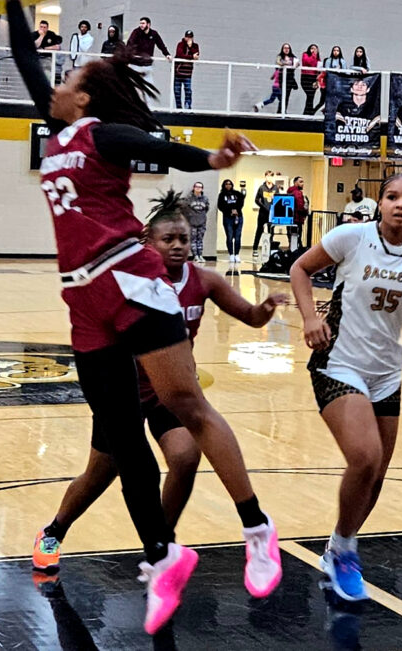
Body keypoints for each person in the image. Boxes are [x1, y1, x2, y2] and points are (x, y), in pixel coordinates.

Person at [0, 0, 282, 634]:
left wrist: (208, 155)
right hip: (82, 298)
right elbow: (27, 58)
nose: (53, 85)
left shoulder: (97, 136)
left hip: (129, 274)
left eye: (66, 81)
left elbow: (156, 147)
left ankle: (256, 526)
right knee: (120, 436)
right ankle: (162, 552)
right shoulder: (55, 135)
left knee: (184, 400)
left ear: (83, 97)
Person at [33, 191, 287, 571]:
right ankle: (54, 530)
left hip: (171, 394)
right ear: (147, 243)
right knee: (98, 476)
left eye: (184, 239)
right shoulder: (127, 284)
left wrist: (265, 310)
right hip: (123, 395)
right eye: (168, 239)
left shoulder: (204, 281)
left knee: (185, 456)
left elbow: (250, 316)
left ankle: (161, 545)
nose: (178, 246)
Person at [290, 173, 402, 602]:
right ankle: (345, 551)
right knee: (365, 456)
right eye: (393, 197)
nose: (401, 204)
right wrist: (310, 318)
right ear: (379, 203)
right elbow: (300, 269)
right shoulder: (351, 237)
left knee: (376, 474)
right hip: (338, 361)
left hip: (386, 371)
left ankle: (338, 543)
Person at [124, 16, 171, 85]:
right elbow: (130, 44)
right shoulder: (136, 32)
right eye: (140, 23)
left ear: (148, 24)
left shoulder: (154, 34)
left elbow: (161, 45)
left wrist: (167, 54)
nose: (141, 25)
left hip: (147, 65)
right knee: (134, 86)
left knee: (149, 86)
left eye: (143, 23)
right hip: (136, 64)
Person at [254, 43, 297, 113]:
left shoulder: (278, 70)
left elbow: (272, 77)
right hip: (278, 86)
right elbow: (279, 62)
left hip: (279, 85)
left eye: (288, 48)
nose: (286, 49)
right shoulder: (279, 68)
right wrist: (286, 63)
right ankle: (280, 112)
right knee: (280, 99)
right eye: (285, 48)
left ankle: (260, 105)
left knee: (274, 99)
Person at [218, 179, 245, 263]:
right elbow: (221, 206)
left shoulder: (237, 193)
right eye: (226, 184)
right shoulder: (222, 195)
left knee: (237, 237)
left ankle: (237, 254)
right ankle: (231, 254)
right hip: (228, 218)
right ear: (224, 185)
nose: (228, 186)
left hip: (238, 217)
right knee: (229, 237)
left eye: (230, 184)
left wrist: (236, 209)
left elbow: (241, 201)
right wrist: (230, 210)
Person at [252, 171, 277, 255]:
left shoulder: (275, 188)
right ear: (265, 177)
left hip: (272, 213)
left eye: (271, 176)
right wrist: (263, 206)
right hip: (263, 212)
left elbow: (278, 199)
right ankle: (255, 248)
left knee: (271, 230)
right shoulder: (261, 188)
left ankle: (270, 248)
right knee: (259, 230)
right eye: (268, 176)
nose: (269, 178)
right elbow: (256, 200)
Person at [173, 30, 198, 109]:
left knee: (188, 91)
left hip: (188, 73)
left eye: (190, 37)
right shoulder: (180, 44)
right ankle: (179, 108)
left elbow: (196, 55)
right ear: (184, 37)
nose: (188, 39)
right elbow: (180, 54)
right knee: (177, 91)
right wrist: (191, 57)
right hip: (178, 72)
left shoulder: (195, 46)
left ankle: (187, 107)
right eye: (187, 37)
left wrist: (190, 47)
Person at [185, 181, 209, 263]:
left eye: (200, 187)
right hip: (192, 222)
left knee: (200, 239)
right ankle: (195, 256)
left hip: (202, 222)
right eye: (197, 186)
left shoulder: (205, 199)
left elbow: (206, 209)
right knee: (193, 239)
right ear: (194, 187)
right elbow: (185, 210)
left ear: (202, 189)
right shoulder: (189, 198)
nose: (198, 188)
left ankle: (200, 255)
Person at [301, 43, 321, 115]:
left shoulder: (318, 58)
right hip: (306, 77)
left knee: (311, 96)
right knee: (309, 95)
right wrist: (313, 54)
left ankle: (308, 113)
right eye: (312, 48)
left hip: (313, 78)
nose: (313, 50)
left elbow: (318, 68)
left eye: (315, 49)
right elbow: (308, 62)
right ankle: (308, 112)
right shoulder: (305, 54)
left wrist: (318, 80)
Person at [290, 175, 309, 250]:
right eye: (300, 182)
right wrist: (305, 212)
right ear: (295, 183)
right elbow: (300, 206)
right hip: (297, 218)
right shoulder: (298, 193)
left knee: (292, 238)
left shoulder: (290, 192)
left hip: (291, 218)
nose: (302, 184)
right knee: (298, 236)